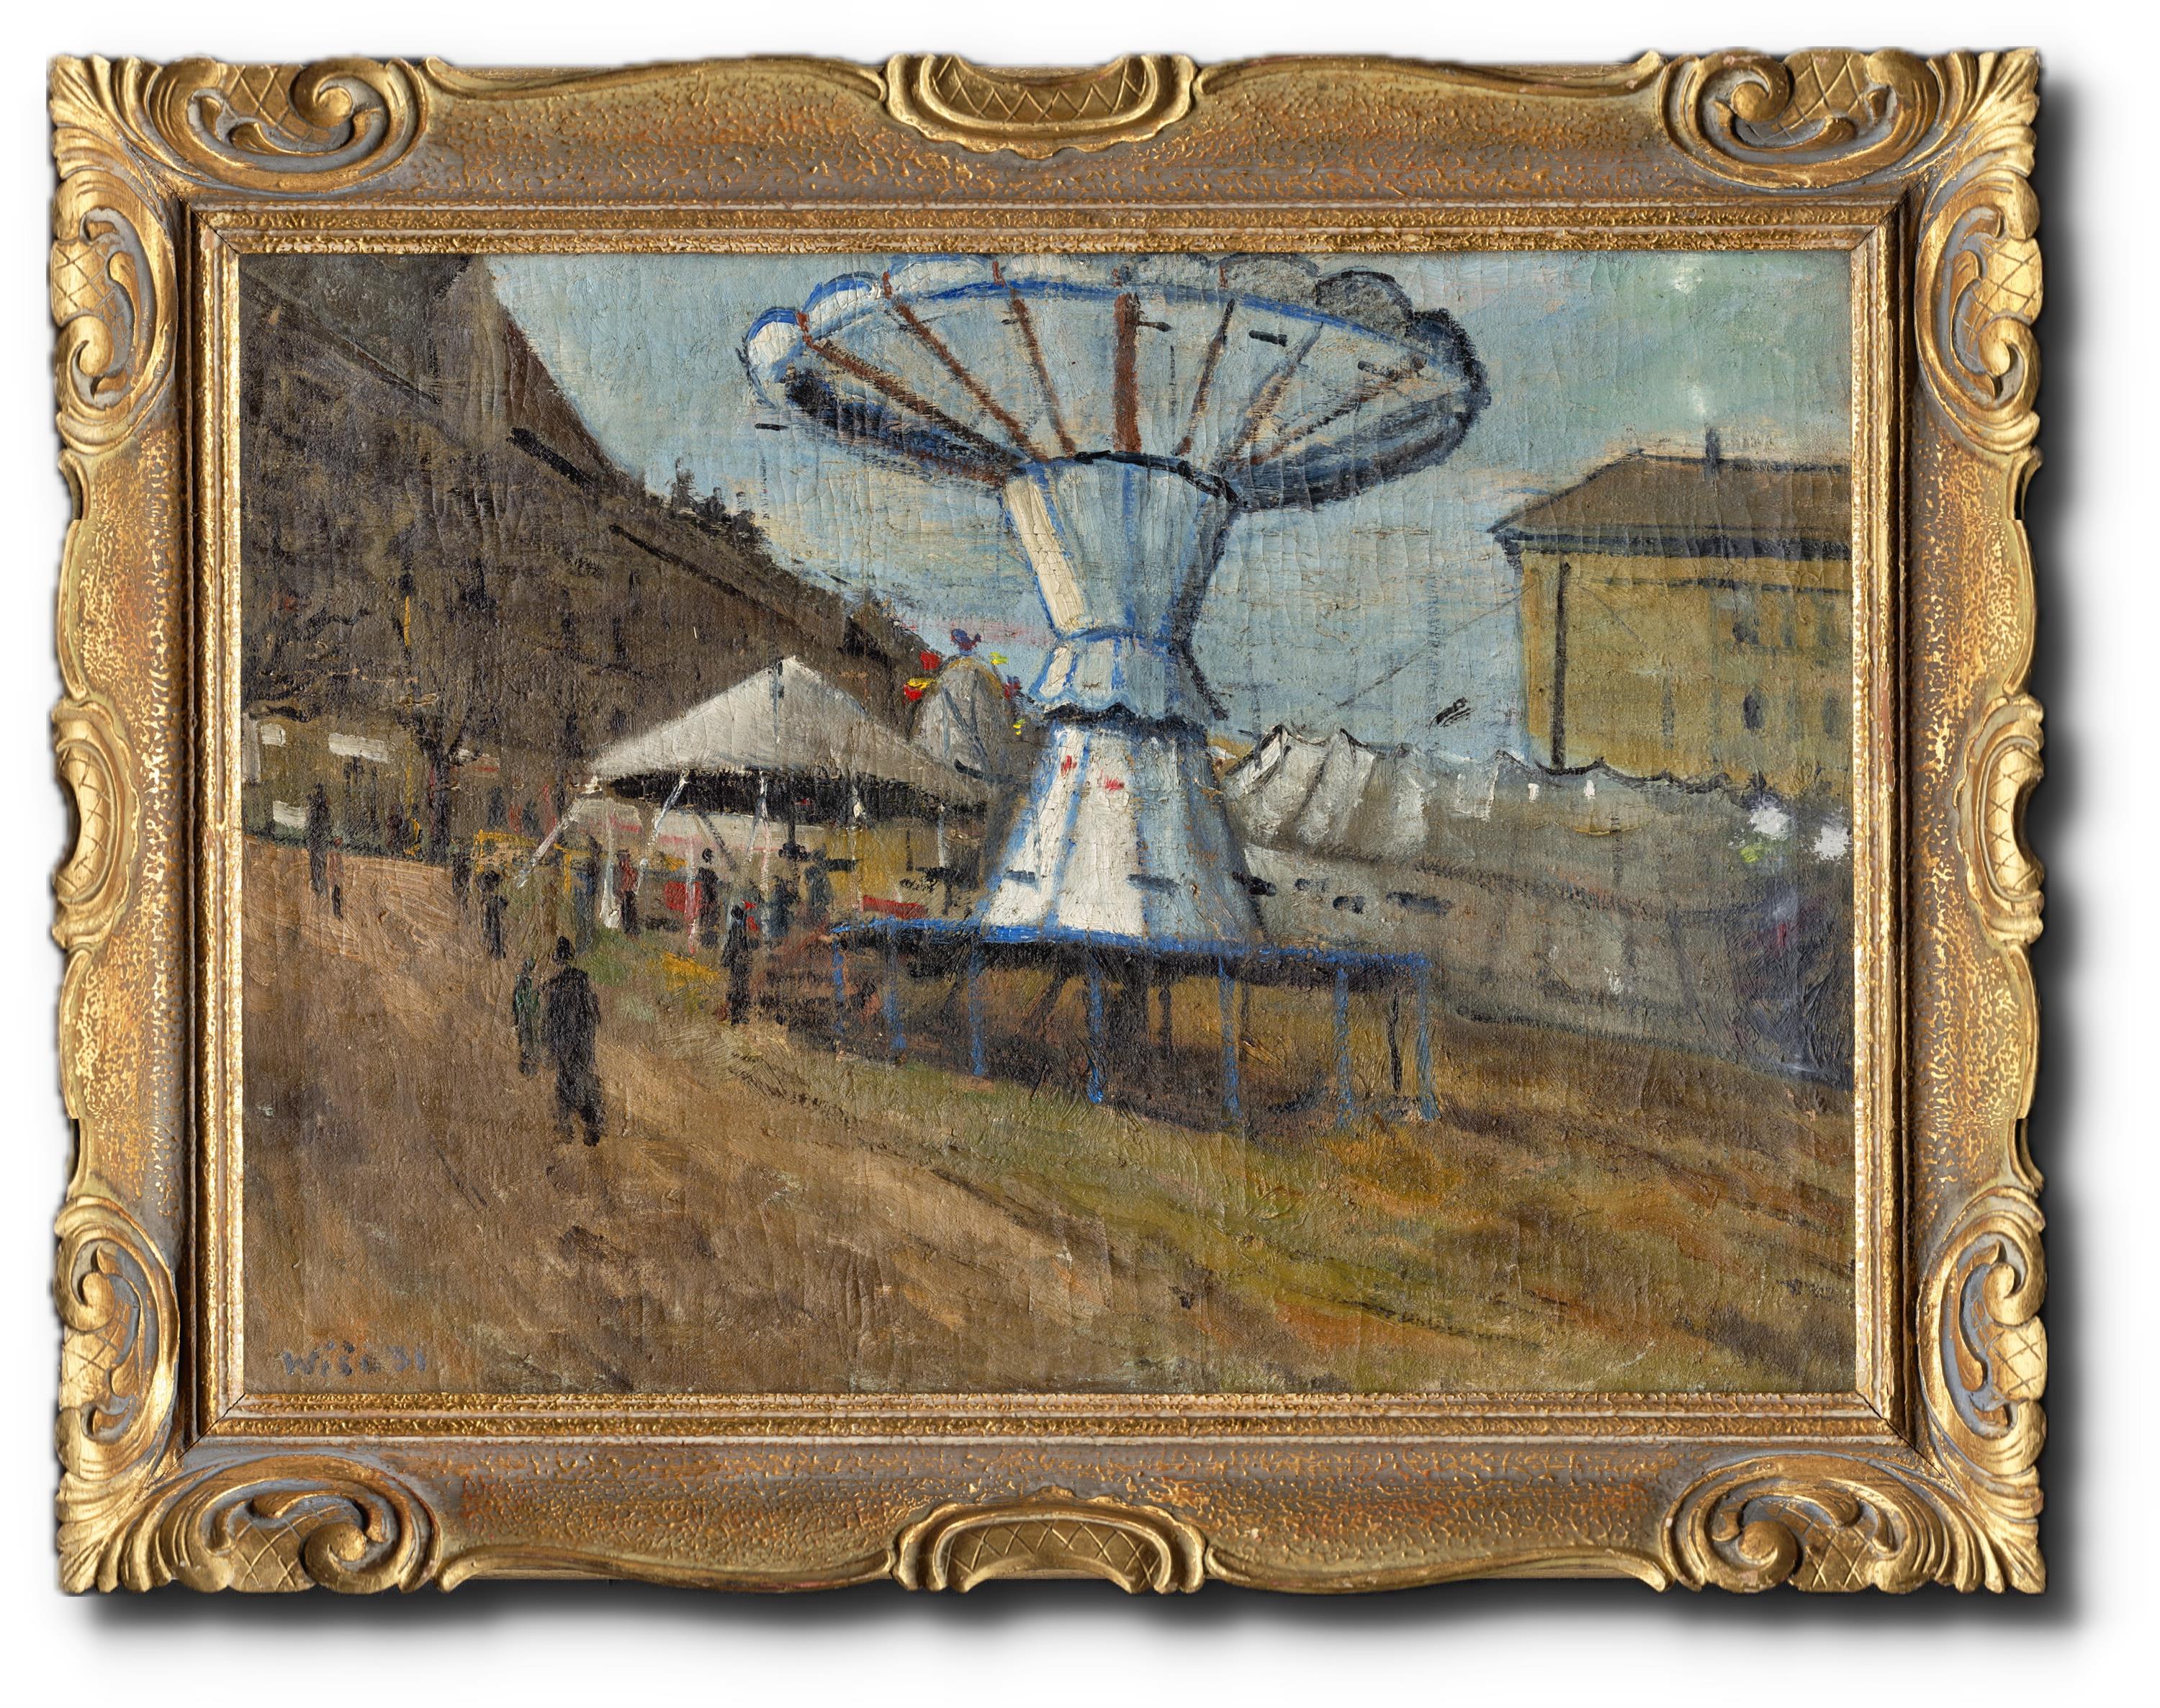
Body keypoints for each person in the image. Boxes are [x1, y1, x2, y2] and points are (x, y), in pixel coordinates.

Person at [541, 936, 603, 1145]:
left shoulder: (557, 988)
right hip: (581, 1042)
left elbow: (552, 1021)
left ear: (559, 960)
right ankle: (588, 1123)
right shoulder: (581, 981)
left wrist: (552, 1046)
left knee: (567, 1081)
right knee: (581, 1079)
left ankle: (570, 1125)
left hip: (567, 1043)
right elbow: (593, 1016)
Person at [721, 901, 753, 1025]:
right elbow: (733, 946)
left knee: (739, 989)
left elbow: (731, 946)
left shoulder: (738, 927)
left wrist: (726, 960)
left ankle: (739, 1016)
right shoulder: (739, 928)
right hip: (740, 964)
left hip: (739, 964)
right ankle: (738, 1016)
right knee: (740, 989)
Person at [510, 956, 541, 1076]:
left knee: (529, 1037)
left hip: (527, 1014)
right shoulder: (523, 980)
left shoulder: (525, 980)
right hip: (527, 1014)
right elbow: (518, 1000)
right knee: (529, 1036)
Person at [305, 782, 332, 897]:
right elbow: (327, 826)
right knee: (320, 864)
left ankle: (318, 886)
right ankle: (319, 886)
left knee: (316, 864)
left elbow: (311, 826)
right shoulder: (324, 809)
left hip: (317, 841)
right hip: (320, 842)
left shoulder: (316, 809)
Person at [693, 849, 721, 953]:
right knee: (708, 922)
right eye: (711, 856)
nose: (713, 858)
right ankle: (708, 943)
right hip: (709, 902)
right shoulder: (708, 873)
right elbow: (709, 889)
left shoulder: (704, 872)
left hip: (708, 902)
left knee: (707, 922)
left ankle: (708, 943)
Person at [479, 867, 507, 960]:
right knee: (491, 932)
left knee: (494, 933)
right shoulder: (489, 900)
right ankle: (495, 950)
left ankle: (497, 951)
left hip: (494, 919)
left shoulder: (494, 899)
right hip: (491, 918)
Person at [614, 849, 639, 937]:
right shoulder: (619, 869)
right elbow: (617, 882)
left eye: (623, 857)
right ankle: (628, 932)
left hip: (629, 893)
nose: (622, 859)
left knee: (630, 913)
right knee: (625, 913)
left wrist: (629, 888)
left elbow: (634, 880)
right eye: (620, 857)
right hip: (624, 894)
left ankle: (632, 932)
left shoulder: (629, 868)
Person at [326, 835, 346, 921]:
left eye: (341, 842)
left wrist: (342, 874)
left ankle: (338, 912)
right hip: (333, 877)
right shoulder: (331, 853)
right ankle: (336, 913)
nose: (340, 843)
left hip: (338, 877)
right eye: (339, 842)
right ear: (335, 842)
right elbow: (329, 866)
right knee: (334, 894)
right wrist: (330, 876)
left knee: (338, 894)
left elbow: (341, 866)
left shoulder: (338, 854)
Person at [449, 841, 472, 912]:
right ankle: (461, 908)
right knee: (460, 894)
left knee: (463, 894)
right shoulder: (458, 857)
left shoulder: (463, 857)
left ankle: (462, 908)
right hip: (460, 877)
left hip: (463, 877)